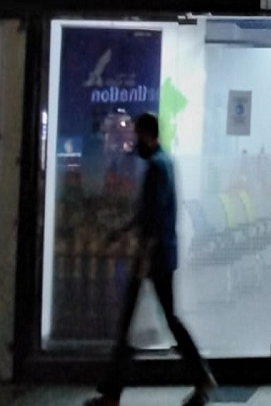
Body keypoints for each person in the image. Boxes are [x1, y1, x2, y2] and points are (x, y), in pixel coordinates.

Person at [85, 113, 216, 406]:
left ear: (146, 135)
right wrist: (123, 232)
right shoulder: (165, 162)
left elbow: (152, 215)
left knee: (129, 325)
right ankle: (200, 377)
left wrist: (139, 251)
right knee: (167, 320)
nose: (134, 143)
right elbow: (151, 213)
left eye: (136, 136)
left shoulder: (156, 166)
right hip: (162, 255)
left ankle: (112, 394)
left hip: (150, 257)